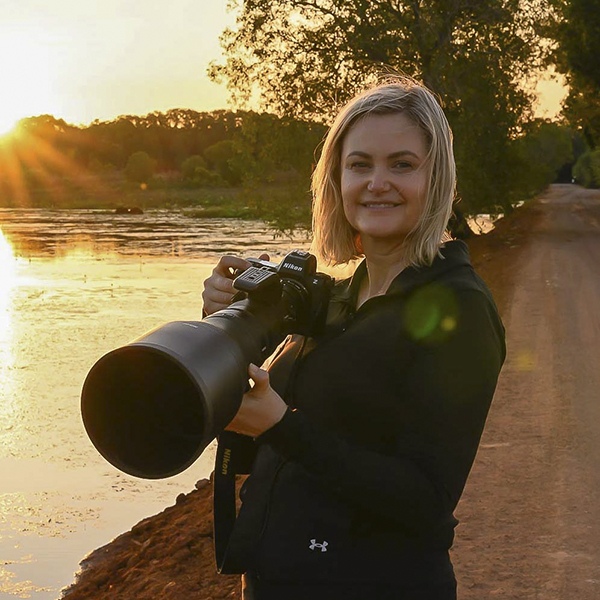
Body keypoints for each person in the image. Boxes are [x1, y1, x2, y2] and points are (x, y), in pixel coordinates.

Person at [201, 77, 506, 600]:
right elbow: (284, 445)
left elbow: (427, 500)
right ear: (336, 179)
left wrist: (279, 425)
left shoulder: (460, 308)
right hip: (279, 577)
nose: (377, 182)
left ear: (437, 180)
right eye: (360, 164)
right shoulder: (344, 295)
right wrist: (234, 329)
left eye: (402, 164)